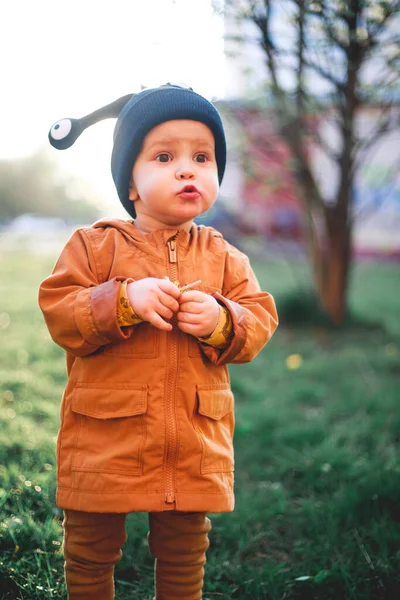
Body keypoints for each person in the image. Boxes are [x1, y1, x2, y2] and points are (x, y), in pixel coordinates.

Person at [39, 83, 278, 600]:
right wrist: (122, 300)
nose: (187, 169)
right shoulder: (93, 245)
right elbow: (60, 311)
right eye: (165, 156)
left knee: (185, 548)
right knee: (90, 547)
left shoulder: (225, 257)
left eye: (202, 157)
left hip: (192, 439)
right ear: (131, 182)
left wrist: (222, 319)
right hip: (103, 438)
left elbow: (259, 320)